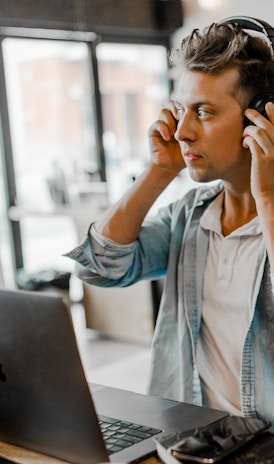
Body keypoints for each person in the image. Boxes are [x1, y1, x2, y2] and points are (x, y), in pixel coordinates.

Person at [66, 19, 274, 426]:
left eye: (203, 112)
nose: (181, 132)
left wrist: (267, 196)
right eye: (181, 111)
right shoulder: (190, 214)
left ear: (260, 121)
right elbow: (96, 269)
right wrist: (158, 171)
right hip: (191, 439)